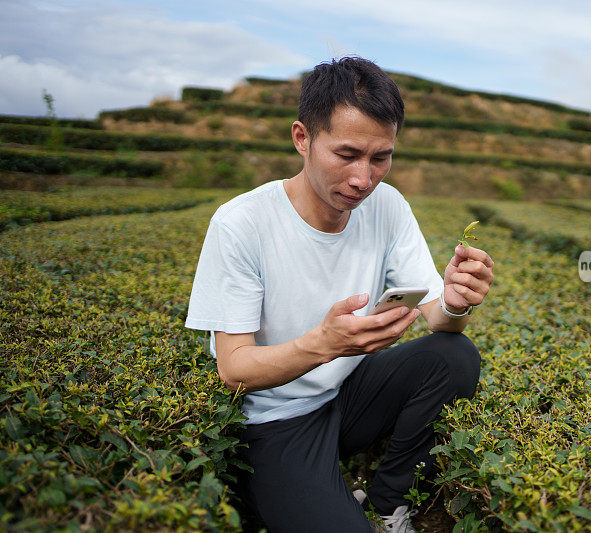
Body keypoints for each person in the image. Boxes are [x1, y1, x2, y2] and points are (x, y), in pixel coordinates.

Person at [185, 56, 495, 533]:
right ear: (302, 139)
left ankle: (389, 502)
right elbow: (234, 369)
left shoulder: (387, 206)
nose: (363, 179)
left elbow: (439, 319)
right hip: (276, 420)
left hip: (347, 397)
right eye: (347, 154)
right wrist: (326, 343)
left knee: (454, 354)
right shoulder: (241, 223)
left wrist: (456, 301)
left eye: (380, 158)